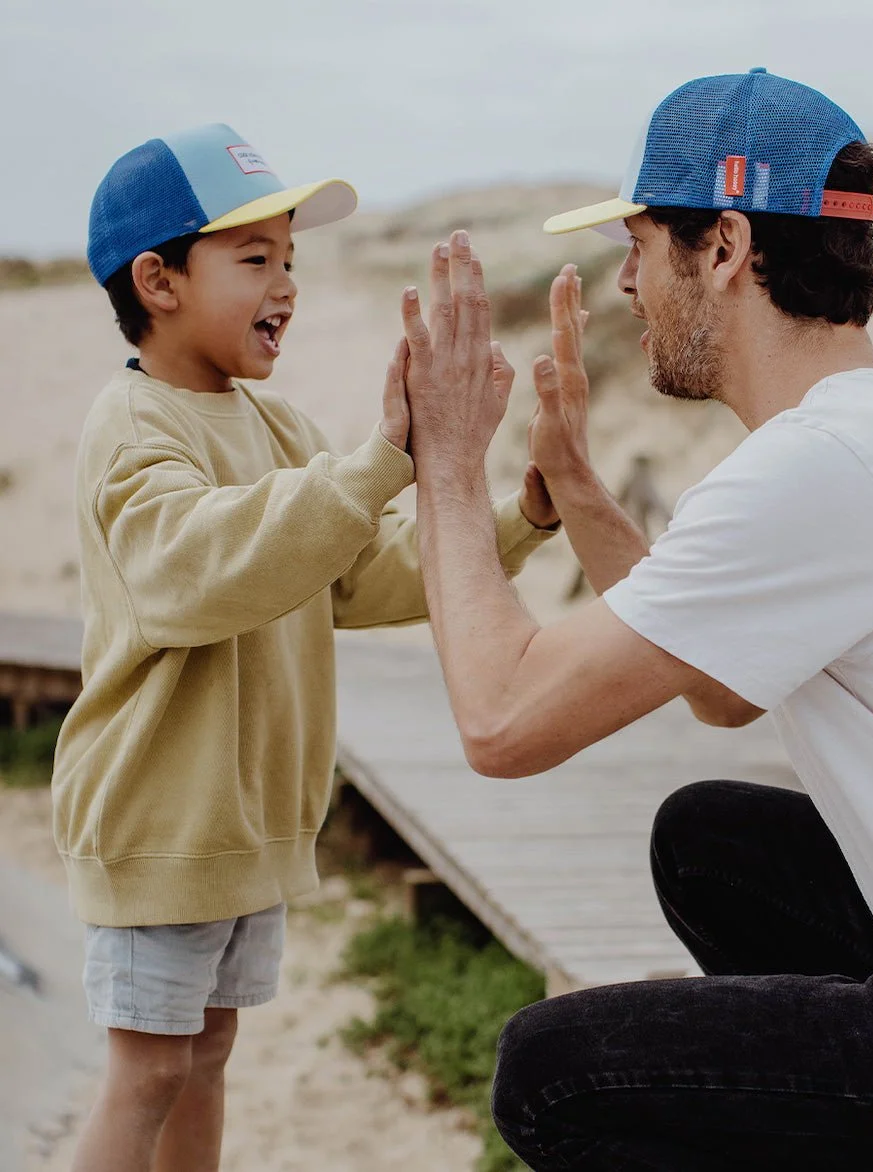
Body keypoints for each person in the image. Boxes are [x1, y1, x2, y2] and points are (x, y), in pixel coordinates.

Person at [397, 69, 873, 1169]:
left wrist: (442, 457)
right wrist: (575, 484)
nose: (627, 283)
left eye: (640, 243)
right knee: (711, 839)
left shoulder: (815, 465)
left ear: (723, 246)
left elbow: (500, 718)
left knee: (555, 1072)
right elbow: (722, 688)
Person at [53, 123, 558, 1172]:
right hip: (162, 814)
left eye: (292, 259)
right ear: (158, 280)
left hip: (247, 822)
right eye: (254, 259)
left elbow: (355, 570)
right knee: (146, 1070)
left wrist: (521, 515)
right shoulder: (132, 424)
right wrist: (380, 459)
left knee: (207, 1052)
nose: (287, 283)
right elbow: (200, 567)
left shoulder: (275, 429)